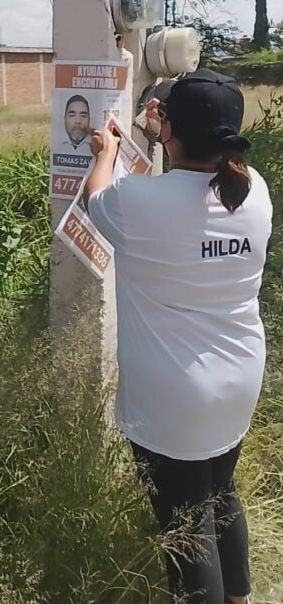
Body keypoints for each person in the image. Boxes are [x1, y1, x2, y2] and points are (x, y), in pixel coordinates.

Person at [83, 69, 272, 604]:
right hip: (238, 378)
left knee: (186, 527)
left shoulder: (139, 202)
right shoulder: (254, 191)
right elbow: (192, 189)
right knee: (221, 491)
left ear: (169, 130)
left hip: (173, 395)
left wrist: (106, 151)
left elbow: (96, 197)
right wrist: (165, 132)